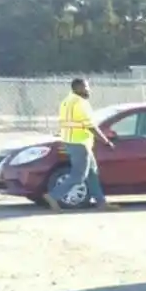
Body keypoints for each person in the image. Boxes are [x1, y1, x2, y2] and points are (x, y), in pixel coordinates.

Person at [51, 77, 109, 210]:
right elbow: (90, 125)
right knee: (79, 176)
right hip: (79, 143)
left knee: (92, 173)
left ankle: (101, 203)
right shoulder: (80, 103)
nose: (88, 90)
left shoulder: (66, 101)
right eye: (86, 87)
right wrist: (105, 141)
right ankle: (53, 196)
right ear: (78, 88)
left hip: (72, 141)